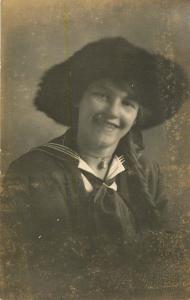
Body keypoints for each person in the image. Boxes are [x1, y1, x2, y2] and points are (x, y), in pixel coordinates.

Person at [1, 37, 189, 299]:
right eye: (102, 95)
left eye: (128, 103)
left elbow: (168, 261)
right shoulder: (31, 172)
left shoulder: (147, 173)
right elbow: (36, 275)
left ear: (136, 117)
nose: (113, 112)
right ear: (79, 98)